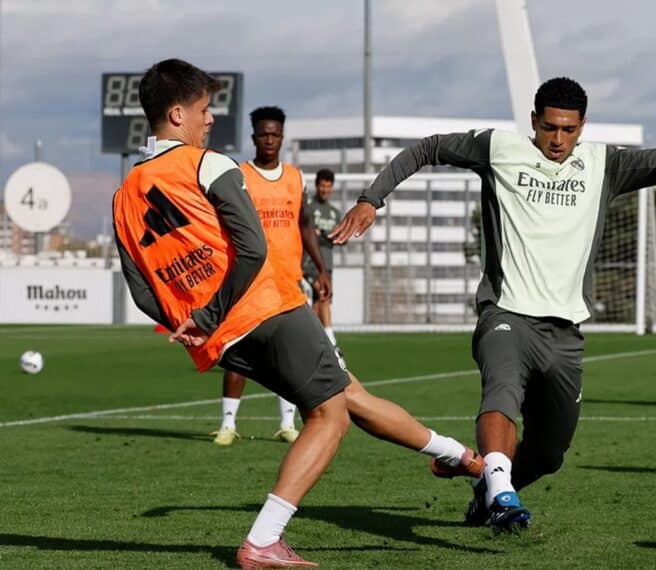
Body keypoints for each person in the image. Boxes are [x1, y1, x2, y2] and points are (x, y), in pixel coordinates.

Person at [113, 59, 482, 568]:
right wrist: (213, 311)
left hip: (226, 339)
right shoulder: (209, 164)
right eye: (204, 109)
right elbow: (253, 250)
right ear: (177, 114)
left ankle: (460, 458)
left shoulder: (123, 197)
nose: (210, 118)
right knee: (330, 415)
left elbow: (141, 291)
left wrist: (196, 322)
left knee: (347, 395)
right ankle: (263, 540)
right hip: (268, 309)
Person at [331, 77, 656, 532]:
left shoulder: (603, 164)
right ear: (534, 121)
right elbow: (428, 147)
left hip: (565, 333)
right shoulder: (498, 149)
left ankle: (487, 485)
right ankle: (501, 493)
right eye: (549, 127)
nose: (558, 139)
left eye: (569, 130)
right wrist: (371, 198)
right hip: (507, 314)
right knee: (501, 392)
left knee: (549, 454)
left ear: (582, 126)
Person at [210, 106, 331, 446]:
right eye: (263, 134)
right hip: (249, 281)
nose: (269, 140)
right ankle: (228, 424)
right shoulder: (239, 176)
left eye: (275, 134)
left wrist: (321, 269)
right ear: (254, 137)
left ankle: (286, 423)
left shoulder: (295, 177)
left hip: (287, 282)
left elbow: (304, 224)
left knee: (289, 356)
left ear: (282, 137)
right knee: (239, 350)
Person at [302, 168, 342, 345]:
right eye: (322, 186)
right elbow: (305, 232)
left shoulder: (334, 212)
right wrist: (322, 235)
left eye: (328, 186)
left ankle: (316, 341)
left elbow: (341, 238)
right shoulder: (309, 207)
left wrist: (325, 235)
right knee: (319, 297)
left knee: (320, 303)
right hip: (309, 264)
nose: (325, 190)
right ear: (317, 186)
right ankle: (330, 341)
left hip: (327, 265)